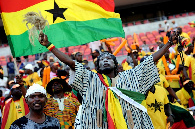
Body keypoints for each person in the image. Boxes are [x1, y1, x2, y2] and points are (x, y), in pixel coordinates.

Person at [38, 33, 178, 128]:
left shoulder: (129, 76)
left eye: (108, 58)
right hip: (99, 121)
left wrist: (169, 44)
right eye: (102, 59)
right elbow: (71, 62)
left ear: (115, 64)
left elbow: (149, 62)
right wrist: (50, 45)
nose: (105, 60)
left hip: (130, 119)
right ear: (97, 66)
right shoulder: (91, 78)